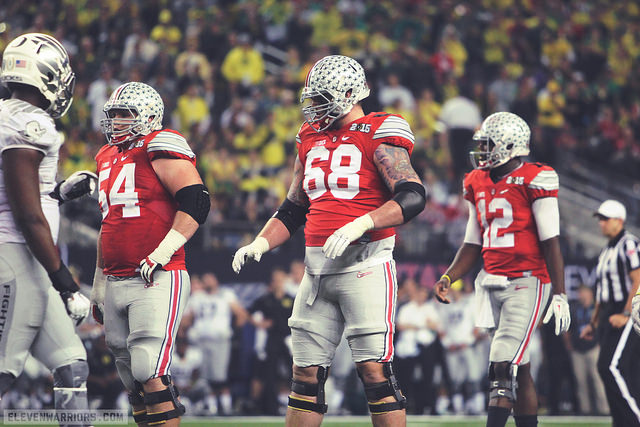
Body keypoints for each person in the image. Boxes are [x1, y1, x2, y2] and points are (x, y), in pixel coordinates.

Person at [232, 54, 426, 427]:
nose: (314, 105)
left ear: (350, 94)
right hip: (315, 272)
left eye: (323, 96)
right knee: (304, 377)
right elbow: (292, 208)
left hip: (364, 265)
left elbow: (413, 195)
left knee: (375, 374)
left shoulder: (380, 129)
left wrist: (360, 224)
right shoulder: (309, 137)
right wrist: (260, 242)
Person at [434, 111, 570, 427]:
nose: (482, 150)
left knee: (501, 366)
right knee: (519, 368)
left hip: (528, 280)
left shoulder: (535, 177)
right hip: (492, 283)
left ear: (509, 145)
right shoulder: (476, 180)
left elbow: (551, 242)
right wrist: (448, 277)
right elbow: (472, 243)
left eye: (489, 144)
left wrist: (560, 294)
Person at [89, 81, 210, 426]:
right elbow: (109, 222)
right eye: (113, 114)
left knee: (149, 369)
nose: (116, 121)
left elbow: (197, 200)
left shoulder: (159, 142)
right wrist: (98, 283)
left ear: (148, 115)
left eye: (125, 114)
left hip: (156, 274)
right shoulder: (106, 156)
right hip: (115, 276)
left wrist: (163, 251)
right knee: (132, 380)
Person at [0, 32, 93, 419]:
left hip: (25, 255)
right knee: (4, 370)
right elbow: (25, 215)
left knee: (71, 363)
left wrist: (57, 193)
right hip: (15, 255)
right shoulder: (31, 122)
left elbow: (23, 194)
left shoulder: (8, 115)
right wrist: (67, 284)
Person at [585, 200, 640, 426]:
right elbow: (601, 292)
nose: (601, 223)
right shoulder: (607, 249)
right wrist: (593, 322)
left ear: (619, 220)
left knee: (609, 366)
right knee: (623, 371)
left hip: (623, 311)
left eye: (606, 219)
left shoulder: (629, 244)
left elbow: (637, 279)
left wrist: (627, 313)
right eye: (600, 219)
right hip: (609, 313)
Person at [185, 272, 248, 415]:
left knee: (220, 376)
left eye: (210, 279)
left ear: (216, 280)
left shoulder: (226, 294)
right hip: (201, 339)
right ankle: (211, 406)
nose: (207, 282)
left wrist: (235, 332)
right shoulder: (197, 297)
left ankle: (226, 406)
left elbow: (241, 314)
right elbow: (188, 318)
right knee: (204, 377)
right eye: (205, 279)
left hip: (220, 339)